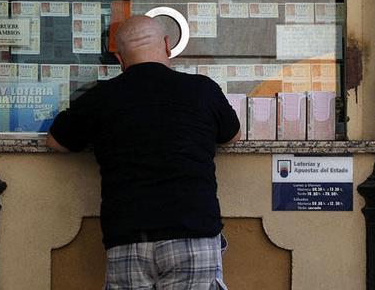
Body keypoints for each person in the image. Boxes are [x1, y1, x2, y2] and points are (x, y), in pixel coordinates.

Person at [47, 15, 241, 289]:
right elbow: (233, 135)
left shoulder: (101, 97)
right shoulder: (202, 90)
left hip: (127, 234)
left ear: (119, 58)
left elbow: (56, 141)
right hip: (192, 229)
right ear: (166, 45)